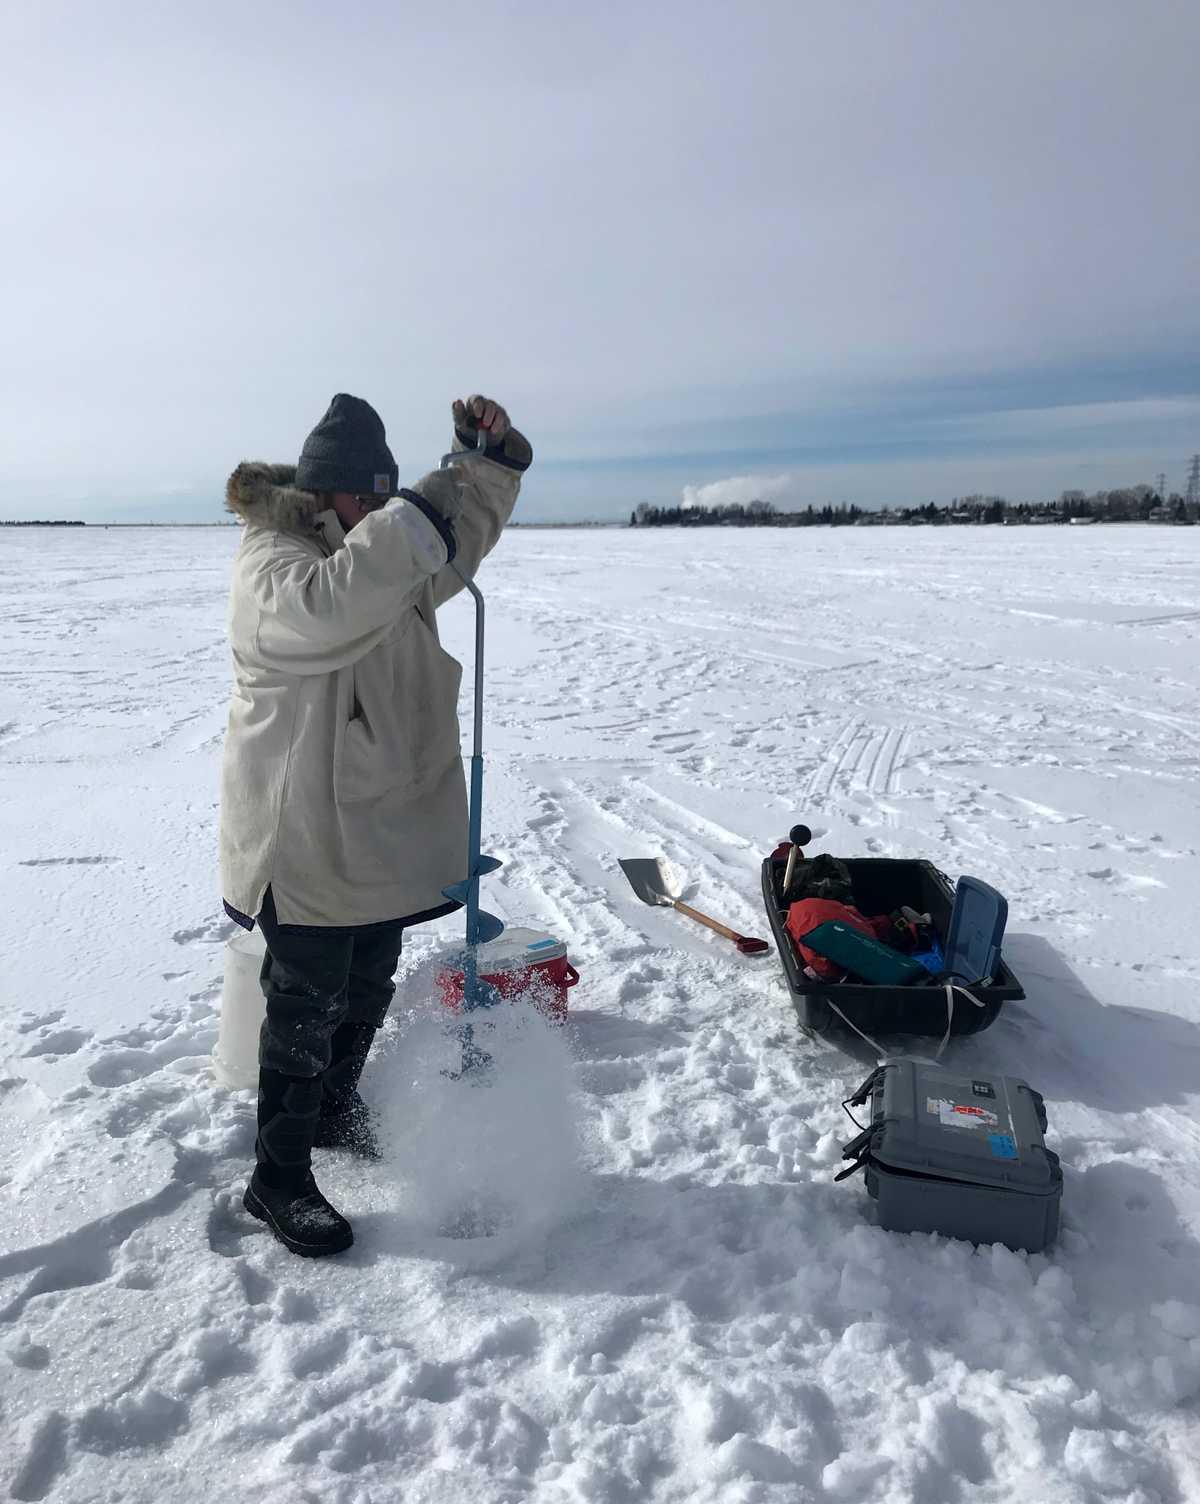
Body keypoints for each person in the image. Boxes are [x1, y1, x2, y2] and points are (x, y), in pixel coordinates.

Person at [219, 392, 532, 1257]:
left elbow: (447, 542)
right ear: (325, 494)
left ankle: (332, 1108)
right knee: (305, 1000)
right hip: (305, 829)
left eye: (386, 501)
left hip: (377, 819)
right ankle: (275, 1179)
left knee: (369, 974)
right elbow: (335, 604)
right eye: (369, 500)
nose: (377, 517)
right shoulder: (275, 564)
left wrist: (480, 463)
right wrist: (417, 509)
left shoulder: (374, 555)